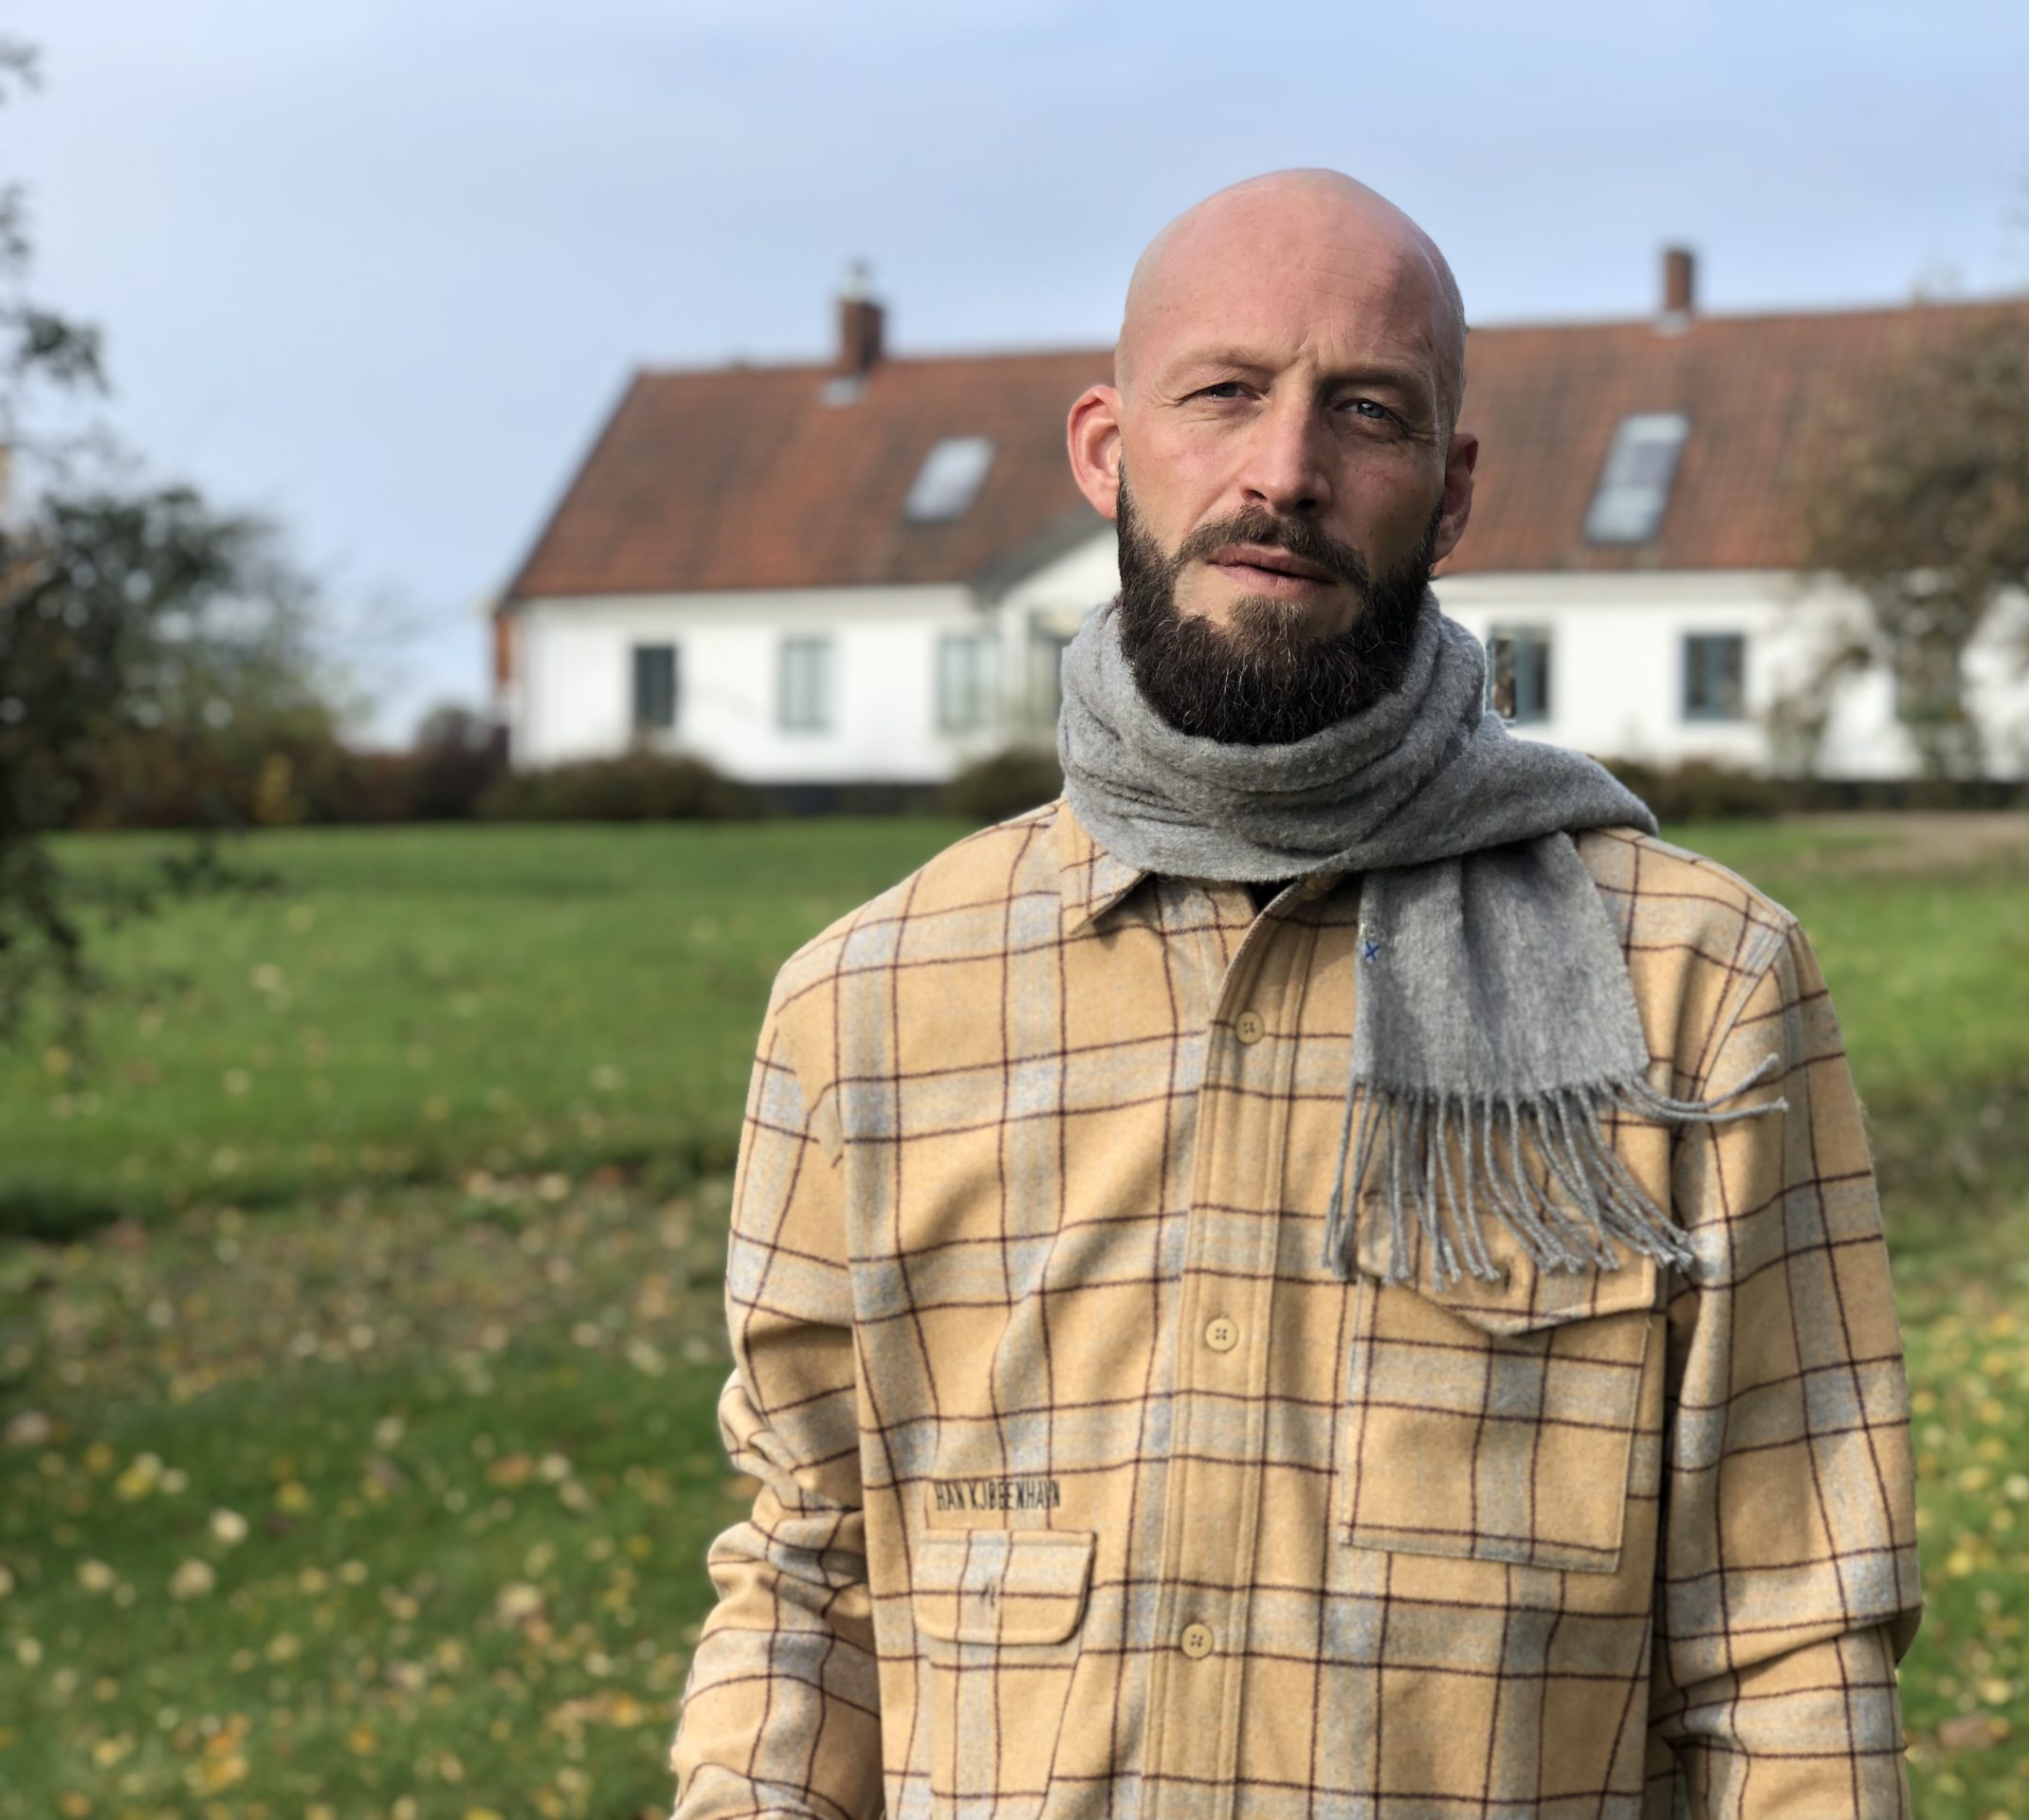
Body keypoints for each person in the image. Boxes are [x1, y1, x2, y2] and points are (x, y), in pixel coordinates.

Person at [668, 169, 1923, 1819]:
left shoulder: (1698, 991)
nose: (1285, 470)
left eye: (1367, 411)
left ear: (1452, 493)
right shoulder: (868, 1004)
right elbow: (812, 1579)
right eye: (1225, 394)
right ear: (1107, 449)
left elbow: (1793, 1640)